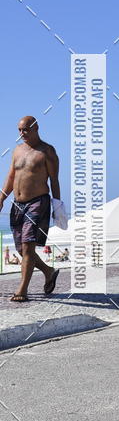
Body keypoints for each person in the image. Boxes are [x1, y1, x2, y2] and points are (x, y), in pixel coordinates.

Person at [0, 116, 62, 302]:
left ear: (36, 128)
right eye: (19, 130)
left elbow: (54, 180)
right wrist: (2, 197)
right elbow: (11, 176)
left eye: (25, 129)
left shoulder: (47, 151)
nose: (22, 133)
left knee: (28, 246)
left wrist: (57, 205)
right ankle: (48, 271)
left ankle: (22, 289)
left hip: (38, 202)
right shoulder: (18, 151)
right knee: (21, 249)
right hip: (17, 204)